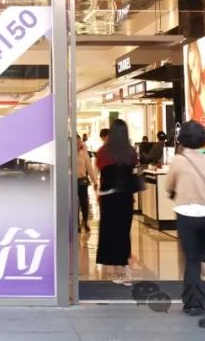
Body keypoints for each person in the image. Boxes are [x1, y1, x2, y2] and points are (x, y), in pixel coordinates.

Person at [165, 120, 205, 319]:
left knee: (191, 258)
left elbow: (168, 186)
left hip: (186, 213)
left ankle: (192, 302)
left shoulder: (178, 160)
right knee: (201, 257)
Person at [95, 120, 138, 285]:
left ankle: (113, 268)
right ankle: (124, 269)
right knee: (123, 232)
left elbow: (101, 169)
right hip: (125, 197)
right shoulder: (130, 151)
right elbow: (133, 170)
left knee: (109, 231)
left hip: (108, 197)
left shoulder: (103, 151)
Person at [76, 136, 97, 233]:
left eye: (78, 141)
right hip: (71, 181)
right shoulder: (68, 152)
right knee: (74, 203)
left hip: (82, 181)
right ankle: (76, 223)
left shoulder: (83, 152)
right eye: (75, 141)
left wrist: (94, 181)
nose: (77, 143)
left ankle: (85, 221)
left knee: (84, 202)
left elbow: (89, 167)